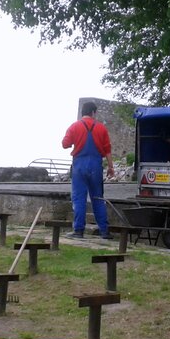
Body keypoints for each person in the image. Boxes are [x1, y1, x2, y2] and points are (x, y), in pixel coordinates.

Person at [62, 101, 115, 239]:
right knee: (98, 198)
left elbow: (65, 144)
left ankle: (78, 231)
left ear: (82, 112)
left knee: (79, 198)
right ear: (93, 112)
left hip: (79, 165)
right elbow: (108, 149)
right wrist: (110, 167)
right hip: (96, 165)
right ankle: (104, 231)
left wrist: (75, 141)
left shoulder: (74, 126)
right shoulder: (101, 128)